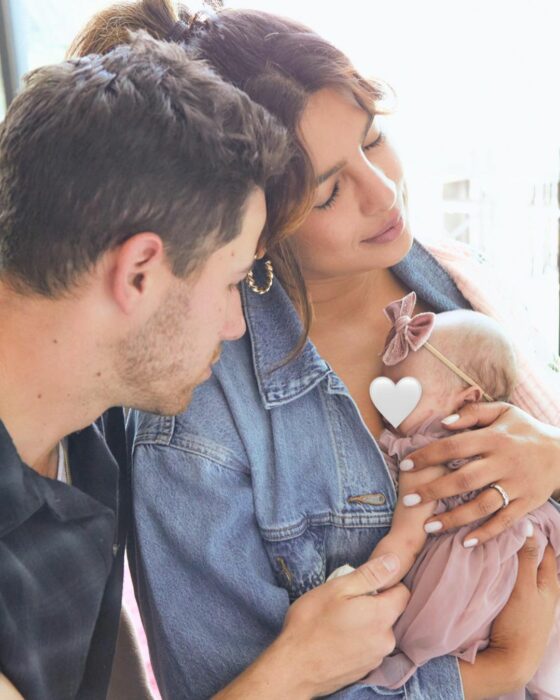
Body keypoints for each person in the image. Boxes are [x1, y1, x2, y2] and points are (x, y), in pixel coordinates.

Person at [70, 3, 560, 698]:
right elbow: (233, 685)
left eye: (375, 137)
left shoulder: (455, 277)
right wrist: (496, 672)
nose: (382, 190)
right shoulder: (193, 422)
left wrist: (550, 456)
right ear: (252, 226)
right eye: (330, 192)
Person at [0, 31, 407, 700]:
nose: (237, 323)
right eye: (232, 281)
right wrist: (290, 673)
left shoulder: (81, 421)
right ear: (138, 274)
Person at [330, 293, 560, 698]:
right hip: (527, 558)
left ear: (469, 399)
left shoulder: (424, 454)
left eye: (404, 387)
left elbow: (404, 541)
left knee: (416, 645)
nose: (387, 405)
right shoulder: (512, 440)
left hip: (464, 594)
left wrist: (363, 588)